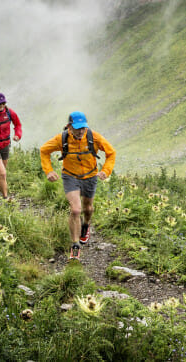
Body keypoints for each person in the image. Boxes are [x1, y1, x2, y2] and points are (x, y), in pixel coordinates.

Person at [39, 111, 116, 260]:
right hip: (70, 176)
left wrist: (106, 171)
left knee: (87, 208)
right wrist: (48, 171)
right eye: (77, 128)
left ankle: (86, 225)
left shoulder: (93, 137)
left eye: (83, 128)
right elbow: (44, 151)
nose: (81, 131)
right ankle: (75, 245)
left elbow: (111, 153)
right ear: (69, 126)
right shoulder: (61, 139)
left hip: (90, 176)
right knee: (75, 210)